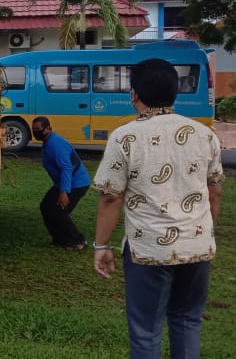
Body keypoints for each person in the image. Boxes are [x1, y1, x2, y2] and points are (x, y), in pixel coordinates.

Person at [91, 58, 223, 358]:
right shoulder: (204, 135)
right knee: (188, 320)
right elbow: (214, 192)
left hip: (148, 249)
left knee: (146, 330)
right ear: (175, 93)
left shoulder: (125, 137)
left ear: (134, 94)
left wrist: (101, 245)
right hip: (197, 246)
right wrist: (204, 232)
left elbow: (110, 197)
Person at [33, 116, 91, 251]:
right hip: (63, 183)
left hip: (76, 183)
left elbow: (66, 168)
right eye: (33, 129)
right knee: (46, 207)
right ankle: (60, 239)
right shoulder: (48, 142)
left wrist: (64, 192)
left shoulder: (55, 144)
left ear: (48, 129)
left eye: (38, 129)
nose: (35, 132)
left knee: (59, 212)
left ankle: (79, 241)